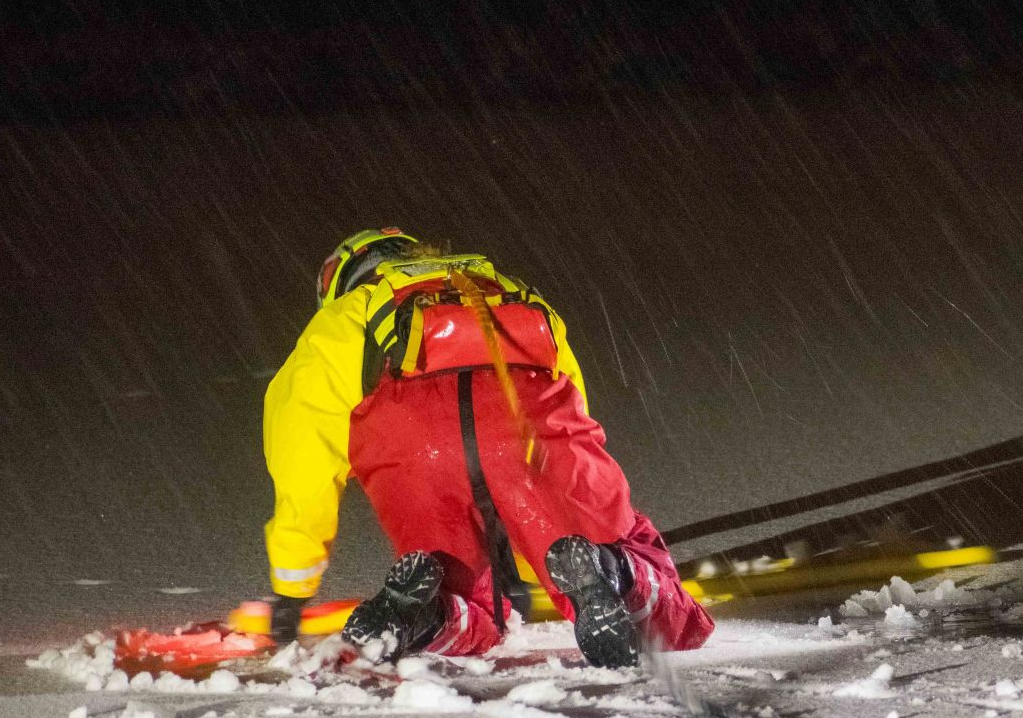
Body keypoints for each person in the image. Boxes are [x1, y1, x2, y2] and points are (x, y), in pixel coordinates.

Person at [262, 228, 714, 666]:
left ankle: (424, 617)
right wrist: (540, 538)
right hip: (527, 424)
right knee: (626, 548)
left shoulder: (341, 321)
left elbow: (303, 459)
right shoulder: (500, 288)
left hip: (414, 447)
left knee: (461, 598)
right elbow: (572, 400)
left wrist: (292, 589)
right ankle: (611, 572)